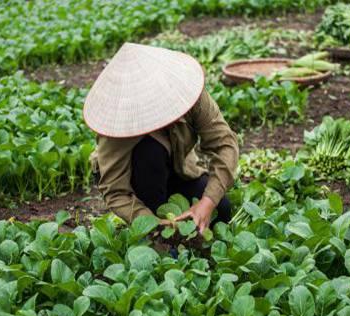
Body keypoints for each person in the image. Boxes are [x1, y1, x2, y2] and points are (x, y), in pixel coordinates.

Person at [84, 42, 239, 234]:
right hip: (138, 174)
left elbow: (225, 144)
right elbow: (116, 191)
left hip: (177, 166)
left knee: (221, 209)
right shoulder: (118, 121)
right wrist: (153, 223)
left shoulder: (188, 94)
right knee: (150, 151)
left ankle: (173, 209)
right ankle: (154, 224)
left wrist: (207, 203)